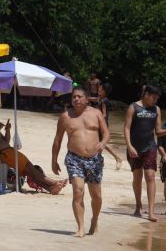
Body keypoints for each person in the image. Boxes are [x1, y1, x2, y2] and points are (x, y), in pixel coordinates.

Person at [51, 87, 110, 237]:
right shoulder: (65, 117)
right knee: (78, 191)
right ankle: (81, 227)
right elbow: (58, 139)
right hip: (74, 158)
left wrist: (103, 143)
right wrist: (54, 160)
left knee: (96, 195)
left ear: (86, 99)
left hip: (94, 159)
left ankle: (94, 220)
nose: (76, 99)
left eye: (79, 97)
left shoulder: (96, 114)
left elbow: (107, 133)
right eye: (73, 97)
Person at [0, 106, 66, 194]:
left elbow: (6, 140)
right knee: (31, 170)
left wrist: (7, 130)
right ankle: (54, 182)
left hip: (9, 152)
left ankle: (50, 188)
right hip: (3, 155)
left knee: (30, 171)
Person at [123, 84, 166, 222]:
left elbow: (158, 132)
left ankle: (151, 212)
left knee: (150, 176)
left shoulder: (156, 109)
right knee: (137, 177)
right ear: (146, 94)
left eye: (157, 98)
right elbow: (126, 128)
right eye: (153, 98)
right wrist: (129, 146)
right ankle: (138, 206)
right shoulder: (133, 107)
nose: (155, 101)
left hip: (150, 147)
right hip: (134, 148)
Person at [98, 83, 124, 170]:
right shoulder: (102, 99)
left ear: (104, 91)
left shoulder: (104, 101)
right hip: (103, 123)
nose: (99, 90)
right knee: (100, 142)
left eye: (100, 89)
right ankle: (99, 161)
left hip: (102, 124)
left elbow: (104, 114)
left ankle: (117, 158)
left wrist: (97, 119)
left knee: (102, 143)